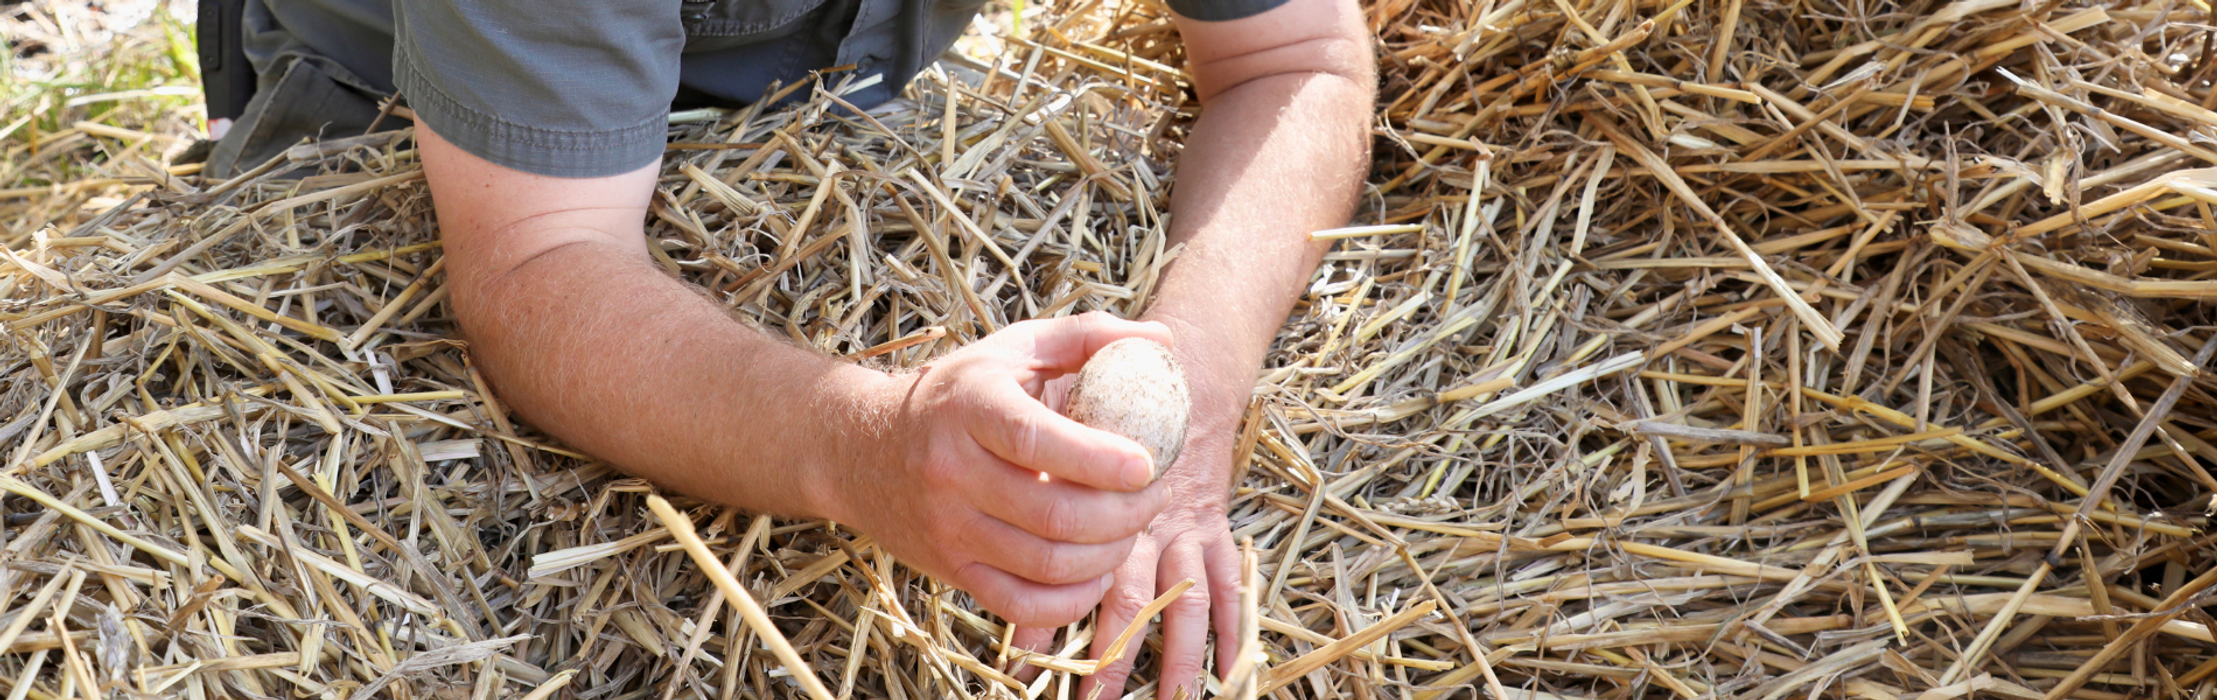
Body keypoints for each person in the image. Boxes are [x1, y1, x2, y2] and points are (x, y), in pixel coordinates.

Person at [197, 0, 1372, 694]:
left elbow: (1298, 54)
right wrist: (871, 446)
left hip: (823, 128)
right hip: (414, 156)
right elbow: (536, 266)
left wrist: (1196, 369)